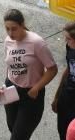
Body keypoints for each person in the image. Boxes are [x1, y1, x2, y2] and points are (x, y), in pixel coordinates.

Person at [4, 8, 58, 140]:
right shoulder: (8, 40)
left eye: (14, 28)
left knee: (19, 136)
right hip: (12, 89)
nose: (10, 33)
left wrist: (36, 88)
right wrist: (6, 84)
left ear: (22, 25)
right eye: (7, 29)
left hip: (31, 94)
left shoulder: (36, 43)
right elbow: (10, 64)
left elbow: (52, 69)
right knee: (12, 127)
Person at [52, 21, 75, 140]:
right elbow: (68, 70)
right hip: (66, 96)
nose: (66, 41)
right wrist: (57, 96)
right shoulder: (70, 48)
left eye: (68, 38)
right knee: (62, 130)